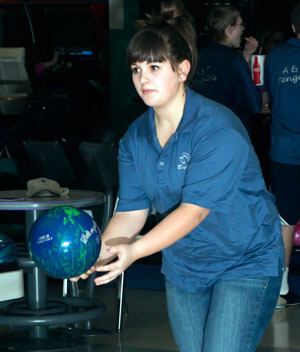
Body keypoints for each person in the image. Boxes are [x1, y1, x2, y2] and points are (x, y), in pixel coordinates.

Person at [72, 1, 283, 351]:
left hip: (244, 261)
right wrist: (100, 253)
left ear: (183, 70)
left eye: (155, 67)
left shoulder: (217, 130)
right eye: (137, 69)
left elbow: (195, 210)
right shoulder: (135, 138)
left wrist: (135, 250)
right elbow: (131, 211)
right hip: (185, 266)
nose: (143, 79)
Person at [264, 0, 300, 309]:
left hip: (284, 151)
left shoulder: (274, 56)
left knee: (284, 219)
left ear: (293, 26)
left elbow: (267, 96)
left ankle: (281, 287)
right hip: (286, 149)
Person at [192, 5, 262, 135]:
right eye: (241, 24)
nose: (243, 28)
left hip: (202, 136)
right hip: (232, 137)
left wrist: (246, 56)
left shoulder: (198, 57)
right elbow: (254, 104)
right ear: (230, 29)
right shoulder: (233, 60)